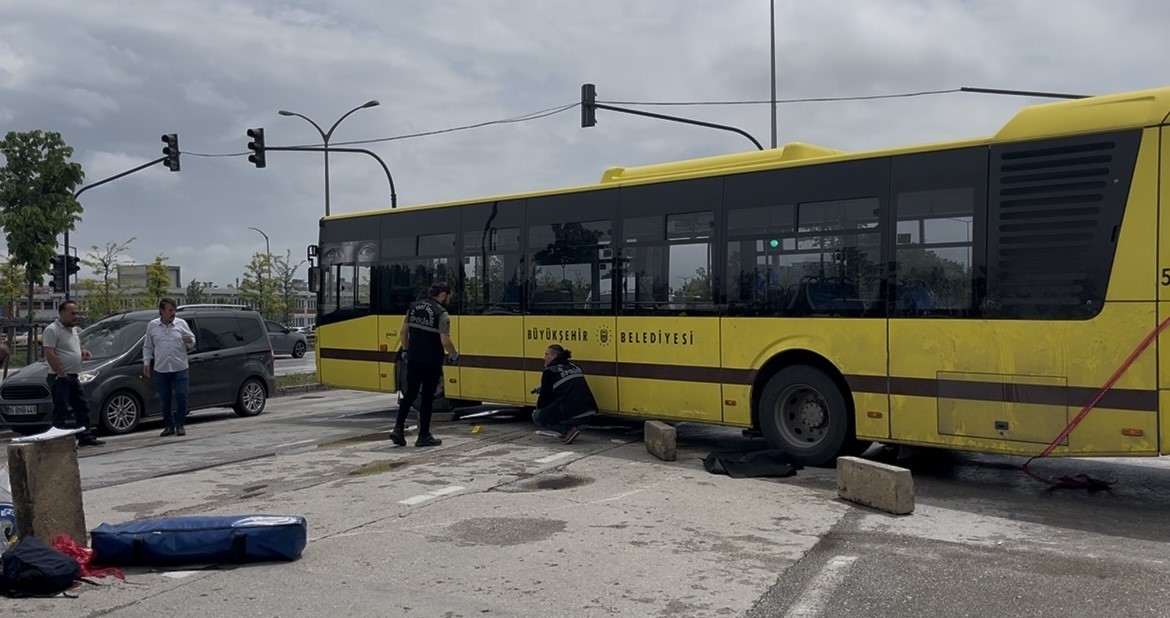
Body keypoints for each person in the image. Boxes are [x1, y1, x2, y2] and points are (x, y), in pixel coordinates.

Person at [392, 282, 458, 447]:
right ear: (443, 294)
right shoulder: (441, 313)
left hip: (413, 358)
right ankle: (424, 435)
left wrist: (406, 350)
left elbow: (403, 332)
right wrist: (454, 354)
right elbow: (445, 340)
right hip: (431, 360)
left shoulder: (413, 307)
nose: (448, 301)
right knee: (427, 397)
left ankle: (398, 429)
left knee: (410, 394)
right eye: (448, 297)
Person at [42, 301, 104, 447]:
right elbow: (49, 353)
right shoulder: (52, 330)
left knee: (81, 406)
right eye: (72, 313)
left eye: (77, 313)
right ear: (61, 313)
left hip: (73, 374)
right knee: (61, 408)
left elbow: (71, 346)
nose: (75, 316)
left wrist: (82, 352)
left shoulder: (72, 329)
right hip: (60, 376)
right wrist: (60, 372)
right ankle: (60, 439)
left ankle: (85, 436)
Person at [142, 298, 196, 437]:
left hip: (180, 367)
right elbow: (148, 346)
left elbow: (192, 341)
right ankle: (168, 425)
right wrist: (146, 363)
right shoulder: (152, 326)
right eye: (170, 310)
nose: (173, 313)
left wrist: (189, 341)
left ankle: (180, 424)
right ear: (161, 311)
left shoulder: (181, 324)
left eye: (174, 310)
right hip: (162, 368)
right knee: (164, 399)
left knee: (181, 396)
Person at [531, 344, 597, 444]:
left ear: (554, 356)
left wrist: (540, 407)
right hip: (590, 411)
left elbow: (543, 400)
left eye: (546, 354)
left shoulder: (550, 371)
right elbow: (567, 387)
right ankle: (570, 429)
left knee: (537, 416)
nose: (544, 358)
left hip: (574, 413)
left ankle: (568, 430)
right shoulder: (574, 366)